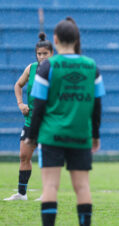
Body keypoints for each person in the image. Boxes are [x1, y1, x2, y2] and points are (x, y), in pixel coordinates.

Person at [25, 17, 105, 226]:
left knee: (50, 186)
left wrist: (31, 136)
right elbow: (97, 107)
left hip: (51, 134)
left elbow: (39, 106)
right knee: (82, 187)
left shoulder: (47, 67)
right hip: (80, 134)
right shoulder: (91, 66)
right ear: (77, 39)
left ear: (56, 39)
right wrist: (95, 135)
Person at [4, 33, 54, 201]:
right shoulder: (31, 68)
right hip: (30, 120)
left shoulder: (56, 70)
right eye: (39, 54)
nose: (41, 57)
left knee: (47, 159)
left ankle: (47, 194)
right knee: (24, 156)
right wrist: (20, 104)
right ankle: (21, 194)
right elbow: (18, 85)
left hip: (49, 122)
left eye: (44, 53)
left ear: (51, 53)